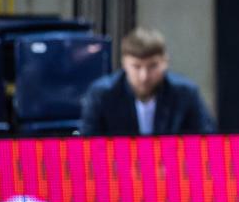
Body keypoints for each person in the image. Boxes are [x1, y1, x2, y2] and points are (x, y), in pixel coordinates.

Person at [80, 26, 216, 136]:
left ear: (165, 62)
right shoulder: (102, 94)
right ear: (124, 63)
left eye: (153, 66)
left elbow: (207, 141)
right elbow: (88, 147)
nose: (144, 76)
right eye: (136, 67)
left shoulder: (186, 93)